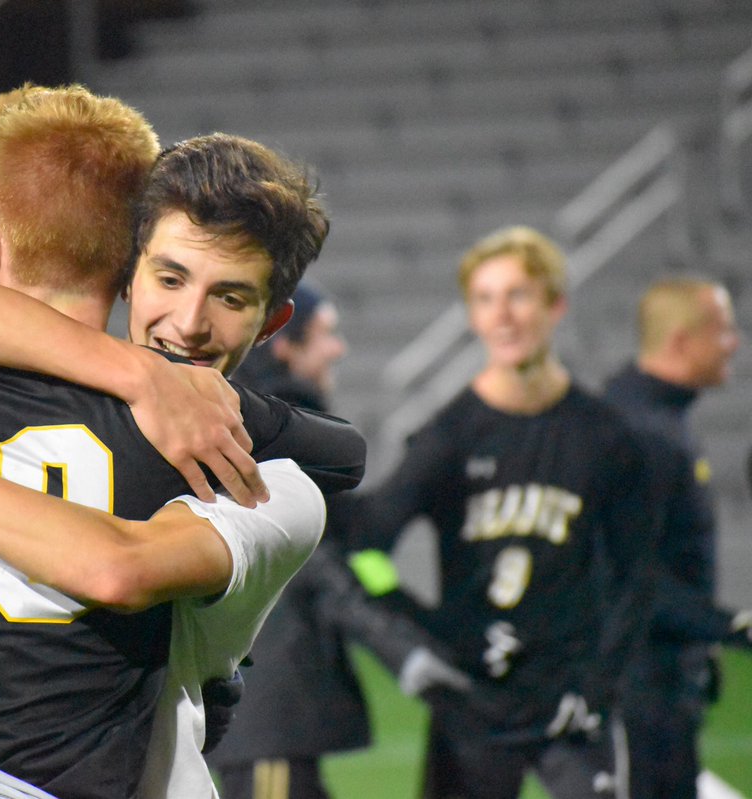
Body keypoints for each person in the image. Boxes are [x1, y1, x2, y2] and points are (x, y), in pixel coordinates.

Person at [0, 85, 365, 799]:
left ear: (272, 322)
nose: (186, 322)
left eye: (231, 297)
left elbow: (120, 567)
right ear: (128, 269)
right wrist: (137, 375)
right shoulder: (275, 470)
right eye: (170, 277)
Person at [343, 225, 655, 799]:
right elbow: (365, 549)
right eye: (486, 299)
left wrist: (598, 684)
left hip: (570, 703)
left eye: (519, 295)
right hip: (473, 705)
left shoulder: (606, 438)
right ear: (472, 315)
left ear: (555, 304)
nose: (502, 315)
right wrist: (426, 632)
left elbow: (634, 577)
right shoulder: (447, 438)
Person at [207, 281, 471, 799]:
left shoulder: (274, 422)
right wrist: (405, 652)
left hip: (272, 711)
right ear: (285, 344)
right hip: (271, 709)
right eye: (325, 333)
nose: (339, 348)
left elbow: (354, 552)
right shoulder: (274, 432)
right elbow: (319, 565)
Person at [601, 276, 751, 799]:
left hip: (656, 685)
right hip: (633, 694)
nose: (734, 341)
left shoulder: (658, 418)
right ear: (683, 341)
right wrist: (733, 627)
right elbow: (628, 578)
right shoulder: (641, 431)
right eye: (724, 329)